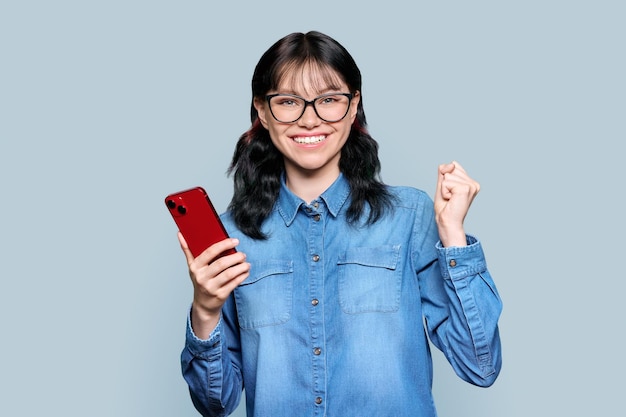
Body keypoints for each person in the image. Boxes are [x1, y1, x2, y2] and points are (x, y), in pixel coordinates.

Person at [177, 31, 502, 417]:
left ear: (353, 106)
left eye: (329, 100)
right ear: (262, 112)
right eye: (288, 102)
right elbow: (214, 404)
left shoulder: (410, 216)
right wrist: (206, 311)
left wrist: (453, 238)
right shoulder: (231, 238)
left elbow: (480, 367)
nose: (309, 119)